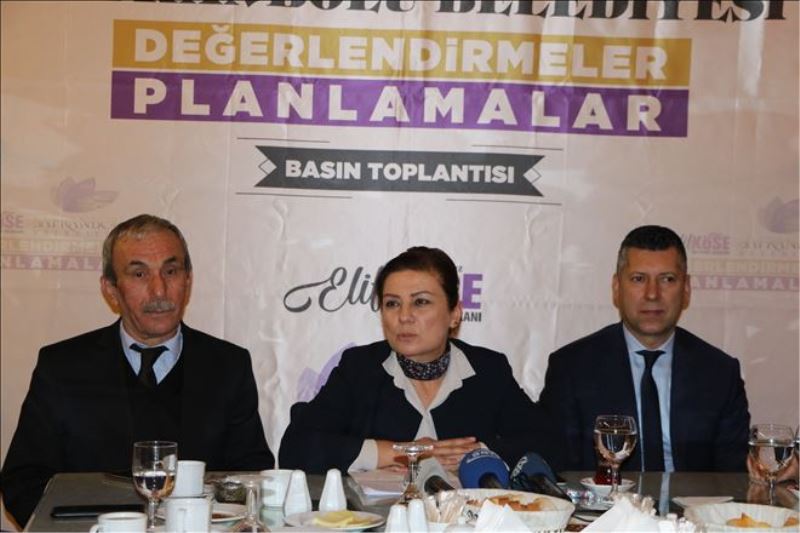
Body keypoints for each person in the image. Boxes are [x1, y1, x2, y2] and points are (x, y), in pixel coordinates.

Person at [1, 214, 274, 527]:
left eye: (171, 271)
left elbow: (251, 478)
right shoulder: (62, 368)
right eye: (139, 274)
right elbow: (23, 482)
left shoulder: (228, 366)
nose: (159, 291)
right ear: (111, 289)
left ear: (188, 279)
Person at [279, 246, 564, 474]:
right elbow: (296, 448)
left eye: (421, 302)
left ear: (454, 314)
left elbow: (551, 444)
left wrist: (476, 453)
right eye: (392, 303)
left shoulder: (487, 370)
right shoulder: (360, 368)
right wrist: (407, 452)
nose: (404, 316)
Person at [539, 225, 750, 472]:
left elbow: (734, 476)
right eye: (638, 279)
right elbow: (559, 469)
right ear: (616, 288)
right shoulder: (572, 368)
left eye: (667, 279)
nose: (652, 294)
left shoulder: (720, 373)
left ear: (686, 289)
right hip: (604, 498)